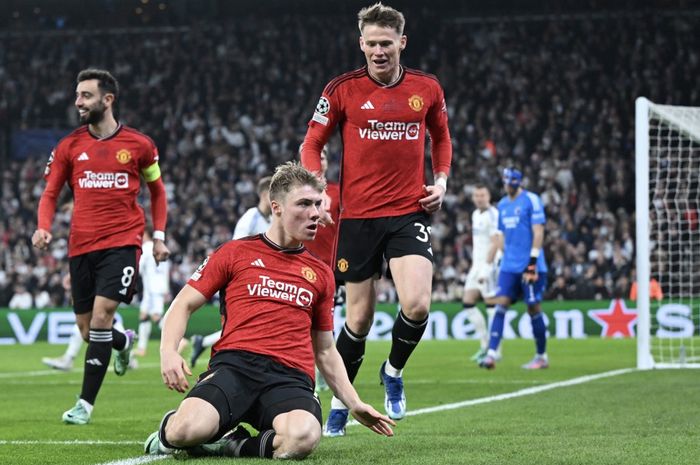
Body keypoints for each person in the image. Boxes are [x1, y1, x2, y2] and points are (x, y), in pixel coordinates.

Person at [144, 162, 394, 460]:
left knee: (302, 438)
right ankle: (171, 432)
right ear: (276, 207)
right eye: (304, 204)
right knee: (183, 432)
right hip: (234, 368)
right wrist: (168, 351)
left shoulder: (321, 274)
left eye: (317, 204)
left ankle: (230, 445)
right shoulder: (235, 253)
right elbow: (182, 304)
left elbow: (325, 350)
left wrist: (353, 403)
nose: (315, 213)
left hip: (290, 378)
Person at [300, 2, 452, 436]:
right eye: (371, 44)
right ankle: (342, 402)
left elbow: (441, 138)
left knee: (418, 303)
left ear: (402, 42)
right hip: (357, 217)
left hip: (408, 211)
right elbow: (312, 142)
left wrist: (440, 182)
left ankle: (393, 370)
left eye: (387, 43)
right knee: (359, 320)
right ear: (360, 44)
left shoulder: (427, 88)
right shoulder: (342, 90)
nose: (379, 51)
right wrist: (316, 188)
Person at [32, 68, 170, 424]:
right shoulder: (68, 146)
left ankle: (84, 404)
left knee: (100, 316)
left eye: (86, 96)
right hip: (80, 246)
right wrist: (43, 227)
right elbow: (50, 193)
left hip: (122, 242)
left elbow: (157, 192)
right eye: (78, 95)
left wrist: (158, 237)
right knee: (87, 329)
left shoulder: (140, 145)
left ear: (108, 100)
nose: (78, 102)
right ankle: (122, 343)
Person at [189, 176, 272, 367]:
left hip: (261, 280)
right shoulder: (251, 217)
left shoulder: (270, 220)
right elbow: (235, 247)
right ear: (264, 194)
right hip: (243, 278)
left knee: (251, 324)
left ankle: (205, 342)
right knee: (244, 325)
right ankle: (220, 364)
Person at [479, 168, 549, 370]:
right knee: (501, 304)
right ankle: (491, 354)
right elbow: (501, 236)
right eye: (505, 181)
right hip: (509, 266)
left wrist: (532, 262)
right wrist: (494, 262)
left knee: (533, 307)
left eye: (510, 181)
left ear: (518, 182)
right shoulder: (502, 204)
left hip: (530, 265)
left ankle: (541, 356)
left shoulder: (531, 200)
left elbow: (538, 231)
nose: (507, 185)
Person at [300, 145, 341, 393]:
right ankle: (308, 376)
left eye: (323, 156)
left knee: (326, 323)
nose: (319, 160)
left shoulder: (338, 191)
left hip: (330, 266)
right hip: (301, 263)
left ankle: (322, 372)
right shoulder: (294, 194)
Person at [462, 185, 502, 364]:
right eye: (476, 195)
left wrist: (487, 268)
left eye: (483, 195)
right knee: (468, 303)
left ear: (489, 196)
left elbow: (496, 242)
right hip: (475, 266)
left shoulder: (493, 214)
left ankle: (495, 350)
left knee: (491, 306)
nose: (479, 198)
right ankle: (485, 344)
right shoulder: (475, 214)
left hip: (489, 266)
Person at [135, 230, 172, 358]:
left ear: (146, 235)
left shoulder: (146, 248)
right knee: (144, 315)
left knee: (155, 316)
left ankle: (178, 340)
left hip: (151, 288)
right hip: (158, 287)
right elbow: (166, 269)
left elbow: (138, 268)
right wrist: (166, 288)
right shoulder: (162, 248)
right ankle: (141, 348)